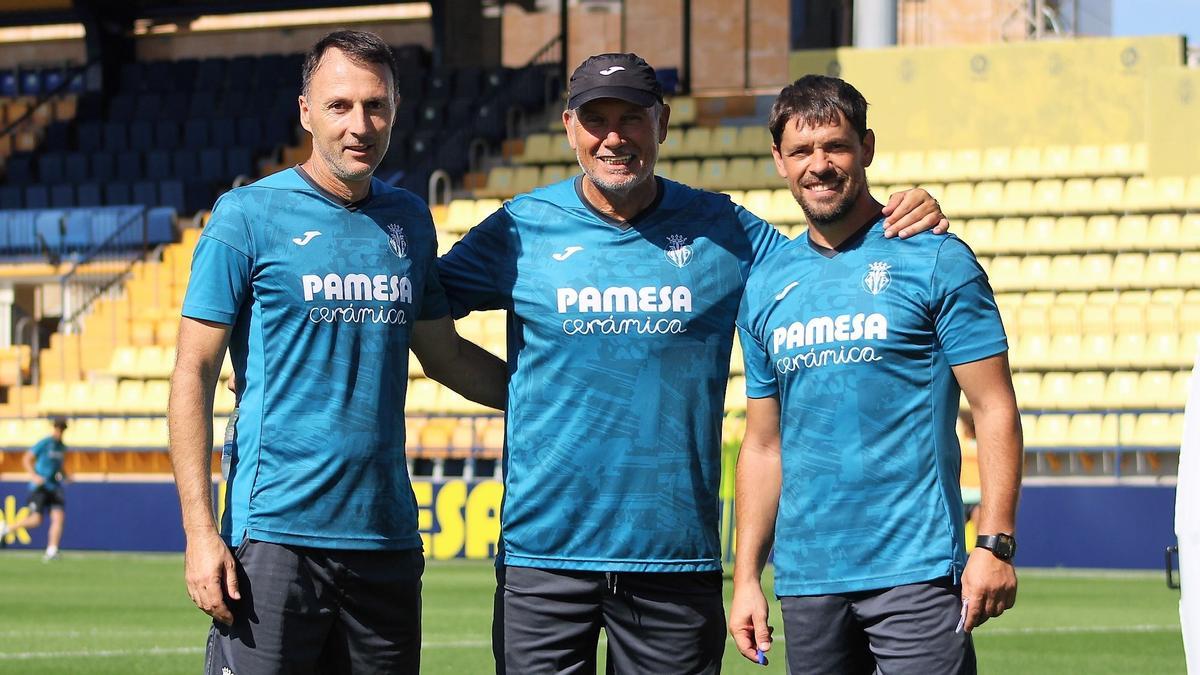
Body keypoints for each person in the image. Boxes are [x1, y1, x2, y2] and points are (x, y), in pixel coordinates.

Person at [437, 53, 950, 674]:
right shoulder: (520, 227)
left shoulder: (724, 227)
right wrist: (518, 391)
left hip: (675, 561)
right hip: (545, 557)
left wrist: (899, 215)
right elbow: (423, 318)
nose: (614, 136)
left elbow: (822, 261)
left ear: (664, 122)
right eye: (596, 119)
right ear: (570, 126)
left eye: (633, 117)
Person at [168, 30, 506, 674]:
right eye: (340, 105)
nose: (360, 124)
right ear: (305, 112)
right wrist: (198, 532)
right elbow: (194, 372)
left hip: (386, 539)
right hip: (274, 537)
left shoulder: (409, 220)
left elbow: (448, 358)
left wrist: (561, 401)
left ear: (395, 111)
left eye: (375, 105)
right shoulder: (246, 216)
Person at [728, 75, 1022, 674]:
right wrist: (746, 578)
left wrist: (994, 543)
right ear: (779, 161)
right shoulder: (765, 285)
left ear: (866, 147)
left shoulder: (934, 256)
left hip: (914, 572)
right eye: (802, 152)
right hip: (807, 579)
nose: (820, 165)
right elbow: (764, 445)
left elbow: (994, 408)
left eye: (835, 146)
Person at [0, 417, 68, 561]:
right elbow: (26, 458)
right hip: (40, 487)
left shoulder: (62, 447)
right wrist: (34, 476)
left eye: (62, 430)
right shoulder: (45, 443)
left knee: (58, 517)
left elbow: (59, 467)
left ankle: (52, 550)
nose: (59, 432)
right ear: (54, 428)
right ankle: (6, 528)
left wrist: (65, 476)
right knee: (36, 520)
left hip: (54, 487)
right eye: (58, 429)